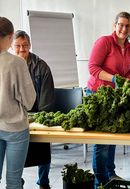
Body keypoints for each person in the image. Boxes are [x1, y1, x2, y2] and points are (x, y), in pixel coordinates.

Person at [86, 12, 130, 188]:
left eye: (127, 26)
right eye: (121, 24)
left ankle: (110, 173)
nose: (124, 28)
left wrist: (127, 82)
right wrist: (113, 78)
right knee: (102, 140)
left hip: (115, 97)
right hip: (98, 95)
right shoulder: (104, 42)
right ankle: (100, 181)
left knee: (112, 136)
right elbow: (92, 68)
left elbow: (129, 72)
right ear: (114, 26)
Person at [12, 30, 55, 189]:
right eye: (17, 46)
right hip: (15, 117)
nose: (21, 50)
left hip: (38, 114)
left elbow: (47, 100)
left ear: (30, 46)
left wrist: (36, 118)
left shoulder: (41, 67)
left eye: (25, 46)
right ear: (11, 46)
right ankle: (18, 181)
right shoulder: (8, 65)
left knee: (43, 147)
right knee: (15, 151)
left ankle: (44, 182)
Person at [0, 17, 36, 189]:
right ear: (11, 37)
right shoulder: (17, 63)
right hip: (15, 128)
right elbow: (29, 101)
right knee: (14, 181)